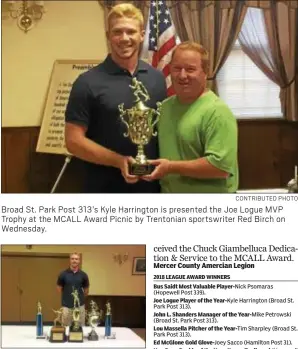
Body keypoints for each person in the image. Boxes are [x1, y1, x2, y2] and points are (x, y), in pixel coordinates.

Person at [65, 3, 167, 193]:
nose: (124, 38)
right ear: (108, 36)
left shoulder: (157, 79)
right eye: (117, 32)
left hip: (152, 190)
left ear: (142, 35)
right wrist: (119, 161)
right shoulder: (87, 82)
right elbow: (73, 141)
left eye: (131, 32)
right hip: (104, 190)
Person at [143, 42, 238, 193]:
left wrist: (170, 167)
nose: (182, 75)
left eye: (190, 69)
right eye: (176, 68)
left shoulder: (217, 112)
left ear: (205, 72)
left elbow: (220, 167)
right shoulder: (164, 107)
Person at [56, 252, 89, 326]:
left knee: (80, 329)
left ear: (79, 261)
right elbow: (59, 289)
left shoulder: (83, 275)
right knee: (66, 328)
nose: (74, 261)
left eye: (76, 259)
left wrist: (79, 298)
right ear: (70, 260)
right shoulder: (63, 274)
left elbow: (86, 291)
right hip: (67, 307)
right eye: (72, 259)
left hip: (80, 306)